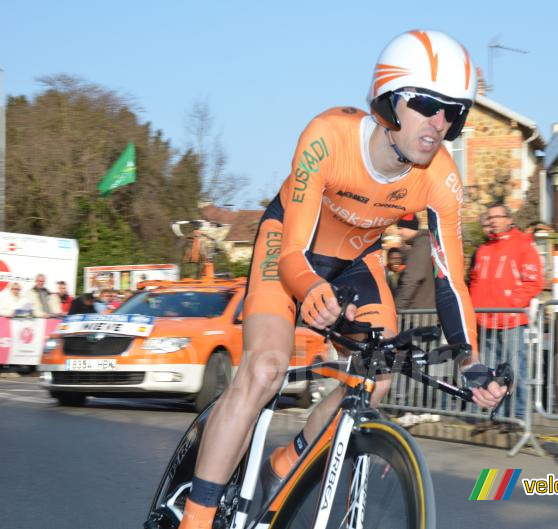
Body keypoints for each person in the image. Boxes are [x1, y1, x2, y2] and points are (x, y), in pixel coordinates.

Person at [178, 30, 508, 529]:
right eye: (427, 104)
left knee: (376, 377)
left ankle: (286, 465)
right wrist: (310, 290)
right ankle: (197, 519)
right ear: (390, 101)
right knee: (266, 368)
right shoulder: (328, 136)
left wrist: (471, 360)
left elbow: (450, 281)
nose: (439, 123)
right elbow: (292, 252)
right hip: (290, 246)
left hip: (357, 259)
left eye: (453, 113)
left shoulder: (440, 178)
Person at [469, 203, 544, 422]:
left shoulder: (523, 245)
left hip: (511, 320)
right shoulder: (484, 250)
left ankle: (520, 415)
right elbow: (475, 281)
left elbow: (534, 281)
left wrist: (513, 302)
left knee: (516, 370)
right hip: (486, 320)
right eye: (489, 217)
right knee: (491, 374)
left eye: (497, 216)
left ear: (508, 219)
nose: (493, 221)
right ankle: (497, 415)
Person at [393, 213, 435, 309]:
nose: (398, 232)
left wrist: (397, 308)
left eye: (400, 228)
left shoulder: (421, 245)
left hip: (418, 314)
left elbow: (411, 279)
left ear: (410, 227)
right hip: (422, 311)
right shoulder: (423, 243)